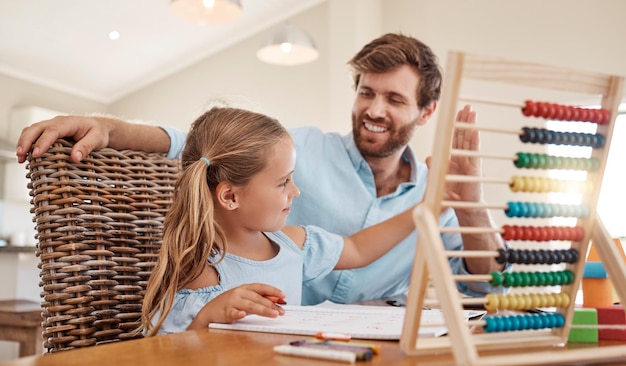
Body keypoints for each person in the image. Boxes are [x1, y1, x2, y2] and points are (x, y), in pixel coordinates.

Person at [16, 33, 507, 305]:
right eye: (366, 92)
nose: (374, 109)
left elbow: (482, 286)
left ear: (426, 113)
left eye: (394, 99)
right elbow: (202, 147)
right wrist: (111, 128)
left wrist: (461, 199)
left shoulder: (439, 198)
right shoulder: (301, 149)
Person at [141, 106, 420, 336]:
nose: (295, 191)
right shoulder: (203, 270)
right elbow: (166, 349)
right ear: (230, 197)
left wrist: (425, 210)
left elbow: (358, 249)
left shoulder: (293, 243)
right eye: (283, 182)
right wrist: (207, 316)